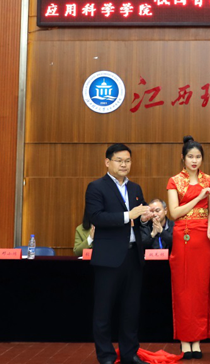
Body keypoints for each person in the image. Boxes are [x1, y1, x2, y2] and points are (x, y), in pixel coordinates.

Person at [85, 143, 150, 364]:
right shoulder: (96, 187)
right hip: (108, 259)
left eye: (127, 161)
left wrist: (144, 217)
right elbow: (96, 217)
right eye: (119, 160)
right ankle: (106, 356)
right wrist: (128, 215)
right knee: (103, 311)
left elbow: (138, 219)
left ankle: (130, 354)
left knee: (131, 310)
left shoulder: (135, 188)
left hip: (133, 257)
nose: (124, 165)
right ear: (107, 162)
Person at [167, 136, 210, 360]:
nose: (194, 161)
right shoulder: (174, 181)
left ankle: (197, 339)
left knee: (200, 287)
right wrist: (198, 198)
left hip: (203, 237)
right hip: (183, 235)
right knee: (183, 287)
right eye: (190, 157)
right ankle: (184, 340)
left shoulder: (209, 180)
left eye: (198, 157)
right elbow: (174, 213)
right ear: (183, 158)